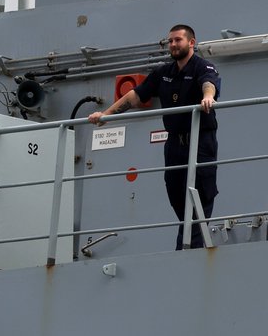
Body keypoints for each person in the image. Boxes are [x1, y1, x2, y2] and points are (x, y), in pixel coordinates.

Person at [88, 23, 219, 249]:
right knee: (176, 192)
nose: (173, 44)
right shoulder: (164, 72)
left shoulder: (202, 67)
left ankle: (187, 250)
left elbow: (208, 84)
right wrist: (106, 115)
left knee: (201, 193)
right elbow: (136, 95)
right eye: (170, 41)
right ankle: (188, 242)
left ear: (191, 43)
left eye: (178, 40)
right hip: (174, 145)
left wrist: (208, 98)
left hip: (200, 143)